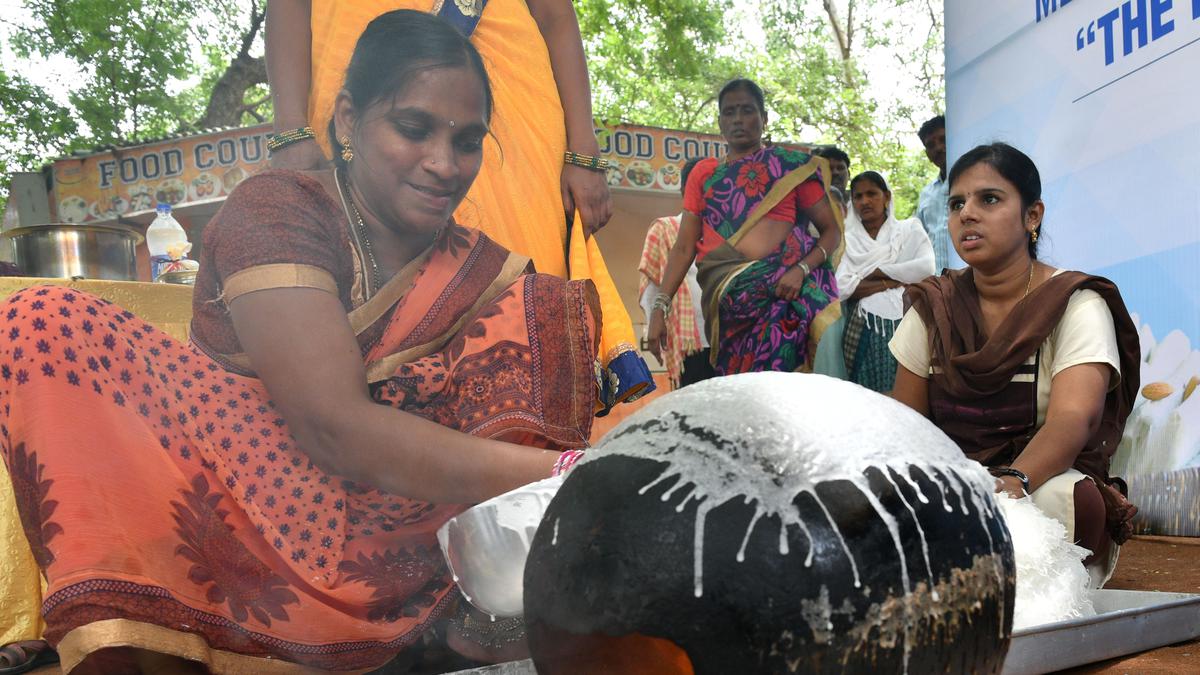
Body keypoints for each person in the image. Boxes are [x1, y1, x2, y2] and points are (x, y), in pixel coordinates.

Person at [0, 12, 597, 672]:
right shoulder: (280, 210)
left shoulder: (487, 273)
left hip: (416, 554)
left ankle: (466, 621)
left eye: (468, 140)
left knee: (541, 313)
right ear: (347, 122)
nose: (444, 163)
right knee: (46, 320)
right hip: (239, 522)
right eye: (414, 127)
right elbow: (330, 425)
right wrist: (573, 474)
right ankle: (160, 637)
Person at [265, 0, 652, 414]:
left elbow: (555, 14)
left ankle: (522, 436)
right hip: (359, 57)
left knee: (523, 292)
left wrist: (583, 152)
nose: (442, 163)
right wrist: (289, 129)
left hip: (507, 79)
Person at [889, 143, 1140, 585]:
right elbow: (906, 425)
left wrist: (1012, 482)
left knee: (1071, 497)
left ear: (1032, 216)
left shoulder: (1074, 304)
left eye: (989, 199)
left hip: (1035, 478)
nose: (967, 213)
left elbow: (1073, 418)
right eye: (956, 203)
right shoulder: (934, 307)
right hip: (955, 480)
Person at [647, 79, 843, 375]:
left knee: (781, 393)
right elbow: (684, 247)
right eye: (729, 112)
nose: (738, 119)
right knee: (741, 399)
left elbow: (831, 231)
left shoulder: (790, 169)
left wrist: (801, 270)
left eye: (747, 110)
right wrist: (659, 307)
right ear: (720, 122)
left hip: (784, 297)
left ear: (764, 119)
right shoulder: (704, 174)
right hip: (729, 309)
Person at [836, 171, 935, 393]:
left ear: (887, 196)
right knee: (868, 399)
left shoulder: (909, 230)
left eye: (872, 194)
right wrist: (891, 282)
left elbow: (925, 267)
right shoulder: (848, 241)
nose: (865, 201)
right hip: (862, 328)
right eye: (858, 196)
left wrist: (876, 272)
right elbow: (842, 288)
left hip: (908, 321)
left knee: (909, 395)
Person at [638, 158, 716, 389]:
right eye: (699, 187)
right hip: (691, 345)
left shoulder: (729, 234)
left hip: (731, 341)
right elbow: (651, 288)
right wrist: (655, 322)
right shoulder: (664, 229)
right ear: (685, 190)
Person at [916, 115, 952, 272]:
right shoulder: (926, 194)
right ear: (927, 155)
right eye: (931, 145)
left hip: (973, 282)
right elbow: (920, 240)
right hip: (936, 284)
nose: (938, 148)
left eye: (943, 139)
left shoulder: (977, 182)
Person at [813, 145, 851, 211]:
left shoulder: (860, 203)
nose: (835, 173)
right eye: (829, 168)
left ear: (849, 174)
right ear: (819, 174)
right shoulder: (809, 206)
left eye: (840, 168)